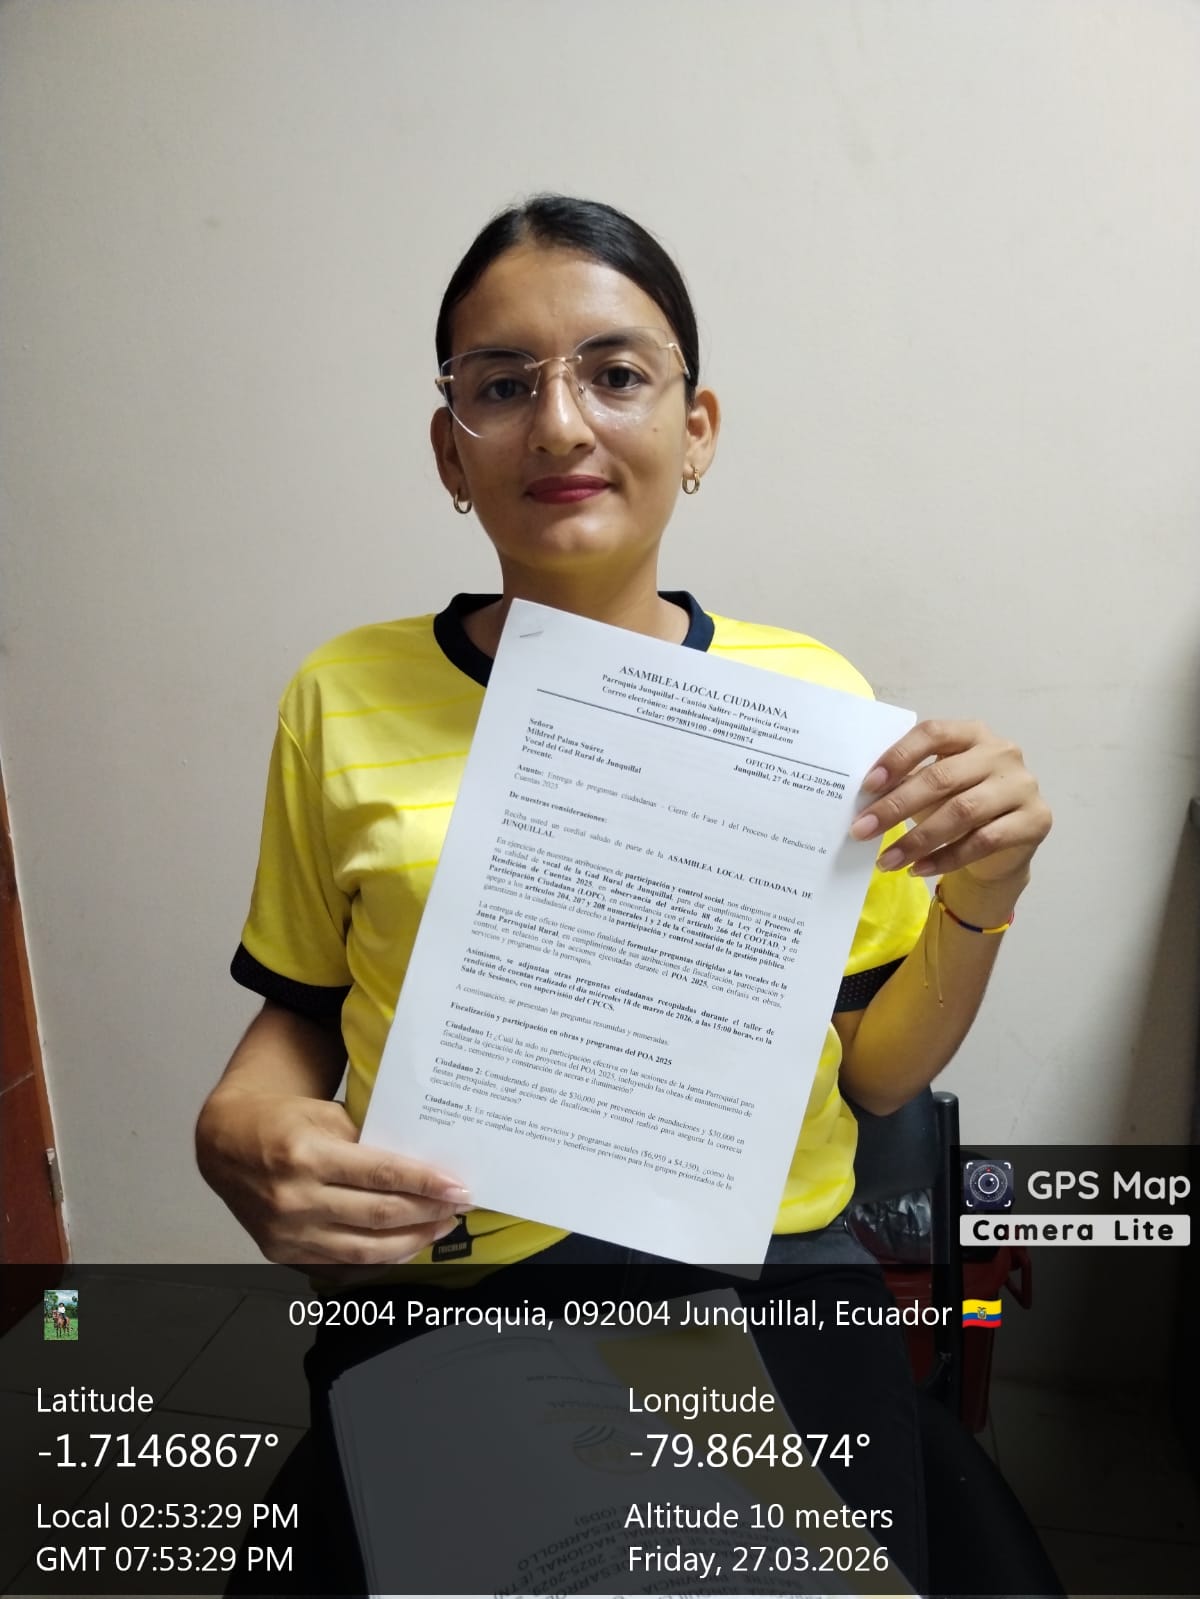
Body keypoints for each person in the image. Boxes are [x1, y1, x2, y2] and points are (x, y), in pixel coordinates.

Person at [196, 193, 1051, 1596]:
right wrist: (239, 1124)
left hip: (761, 1273)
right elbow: (298, 1010)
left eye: (615, 373)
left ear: (695, 428)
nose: (560, 425)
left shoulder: (809, 701)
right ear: (449, 447)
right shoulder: (341, 695)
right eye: (500, 385)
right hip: (460, 1281)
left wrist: (986, 893)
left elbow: (879, 1073)